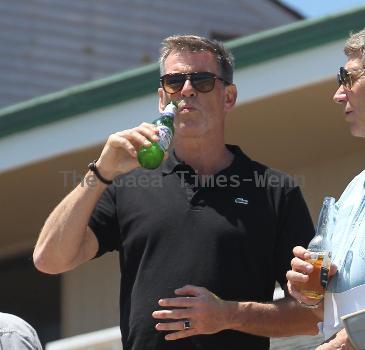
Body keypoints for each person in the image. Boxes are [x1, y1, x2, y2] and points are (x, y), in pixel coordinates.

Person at [33, 35, 315, 350]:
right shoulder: (128, 184)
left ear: (229, 97)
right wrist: (99, 172)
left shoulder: (275, 190)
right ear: (161, 98)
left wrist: (228, 315)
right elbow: (49, 259)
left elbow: (310, 314)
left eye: (203, 80)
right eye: (174, 81)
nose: (187, 89)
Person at [286, 28, 365, 350]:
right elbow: (333, 308)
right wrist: (311, 294)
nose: (338, 94)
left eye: (348, 78)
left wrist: (348, 342)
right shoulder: (354, 190)